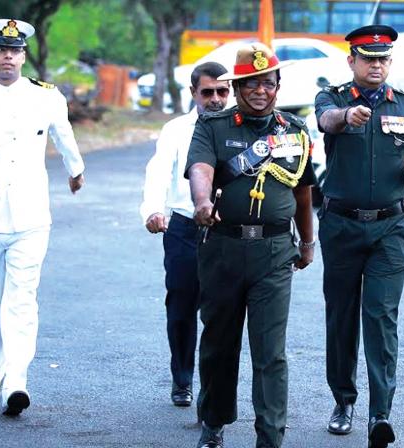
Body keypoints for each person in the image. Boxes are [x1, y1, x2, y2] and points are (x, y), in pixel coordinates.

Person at [186, 43, 315, 448]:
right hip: (223, 249)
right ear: (237, 86)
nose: (261, 91)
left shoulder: (294, 130)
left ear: (278, 86)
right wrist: (202, 202)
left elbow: (304, 191)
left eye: (268, 83)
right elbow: (201, 169)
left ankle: (270, 436)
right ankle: (214, 421)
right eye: (251, 84)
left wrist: (308, 240)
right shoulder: (213, 126)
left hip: (275, 252)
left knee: (270, 350)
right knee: (219, 342)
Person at [0, 18, 85, 417]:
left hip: (31, 215)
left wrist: (75, 169)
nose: (8, 57)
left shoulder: (46, 97)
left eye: (15, 51)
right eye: (1, 50)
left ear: (23, 56)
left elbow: (63, 135)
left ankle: (17, 378)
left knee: (22, 298)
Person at [313, 25, 404, 448]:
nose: (376, 65)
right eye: (368, 58)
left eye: (383, 59)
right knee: (341, 316)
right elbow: (324, 120)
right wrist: (346, 117)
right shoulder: (334, 97)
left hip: (391, 226)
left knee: (380, 317)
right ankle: (343, 401)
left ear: (390, 62)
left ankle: (380, 413)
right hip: (342, 224)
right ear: (352, 61)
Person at [140, 62, 230, 407]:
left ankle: (214, 383)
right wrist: (152, 209)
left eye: (222, 92)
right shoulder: (177, 129)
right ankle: (182, 378)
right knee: (181, 306)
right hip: (183, 226)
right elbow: (159, 170)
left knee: (222, 310)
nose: (215, 99)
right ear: (194, 93)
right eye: (207, 92)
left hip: (227, 230)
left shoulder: (239, 126)